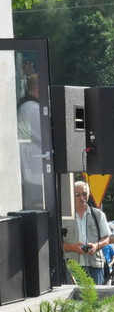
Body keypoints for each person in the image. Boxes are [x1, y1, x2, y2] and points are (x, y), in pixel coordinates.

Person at [62, 181, 111, 284]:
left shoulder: (98, 215)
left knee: (96, 297)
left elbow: (106, 238)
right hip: (72, 265)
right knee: (73, 298)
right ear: (71, 195)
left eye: (84, 194)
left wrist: (96, 246)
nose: (81, 197)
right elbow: (55, 243)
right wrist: (73, 247)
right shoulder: (63, 216)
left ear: (88, 195)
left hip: (95, 265)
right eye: (77, 194)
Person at [17, 73, 44, 210]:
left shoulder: (27, 106)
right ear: (36, 90)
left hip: (31, 160)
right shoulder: (32, 108)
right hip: (33, 160)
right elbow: (44, 136)